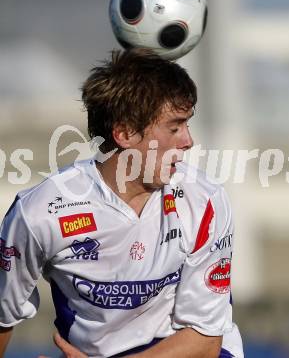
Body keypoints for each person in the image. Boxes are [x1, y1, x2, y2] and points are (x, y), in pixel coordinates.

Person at [0, 49, 243, 358]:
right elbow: (2, 316)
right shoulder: (39, 214)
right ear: (125, 133)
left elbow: (205, 344)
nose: (188, 141)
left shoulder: (204, 200)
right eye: (175, 127)